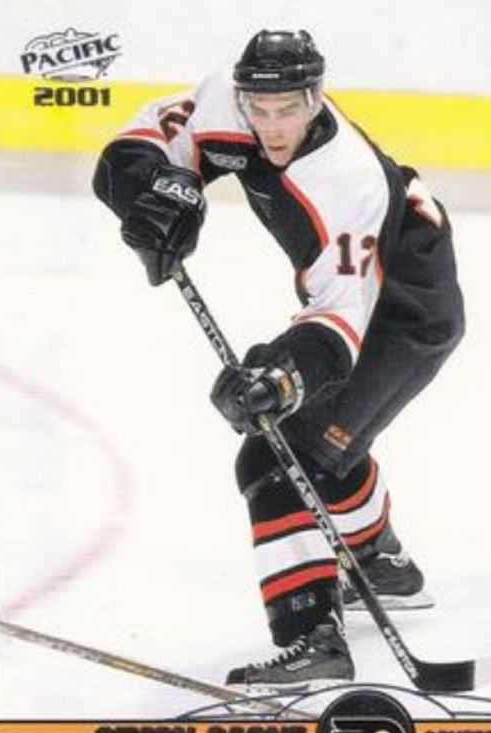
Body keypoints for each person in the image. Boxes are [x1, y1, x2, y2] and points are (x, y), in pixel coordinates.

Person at [93, 30, 464, 689]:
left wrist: (280, 378)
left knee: (279, 450)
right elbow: (139, 144)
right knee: (327, 442)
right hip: (357, 293)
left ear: (315, 99)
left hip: (404, 314)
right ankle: (378, 562)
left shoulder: (344, 180)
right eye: (258, 109)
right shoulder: (227, 102)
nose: (270, 126)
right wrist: (153, 196)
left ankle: (313, 639)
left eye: (287, 110)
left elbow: (340, 322)